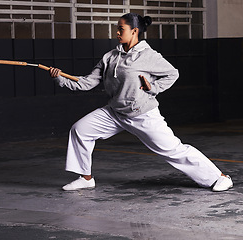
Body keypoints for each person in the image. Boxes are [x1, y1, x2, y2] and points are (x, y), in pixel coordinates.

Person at [49, 13, 233, 192]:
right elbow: (87, 82)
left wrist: (152, 87)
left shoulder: (148, 55)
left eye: (121, 29)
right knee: (80, 130)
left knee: (173, 150)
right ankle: (86, 178)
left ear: (135, 31)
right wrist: (60, 79)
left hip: (142, 113)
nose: (118, 33)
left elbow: (172, 73)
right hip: (115, 112)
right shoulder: (110, 57)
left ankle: (219, 177)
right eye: (117, 29)